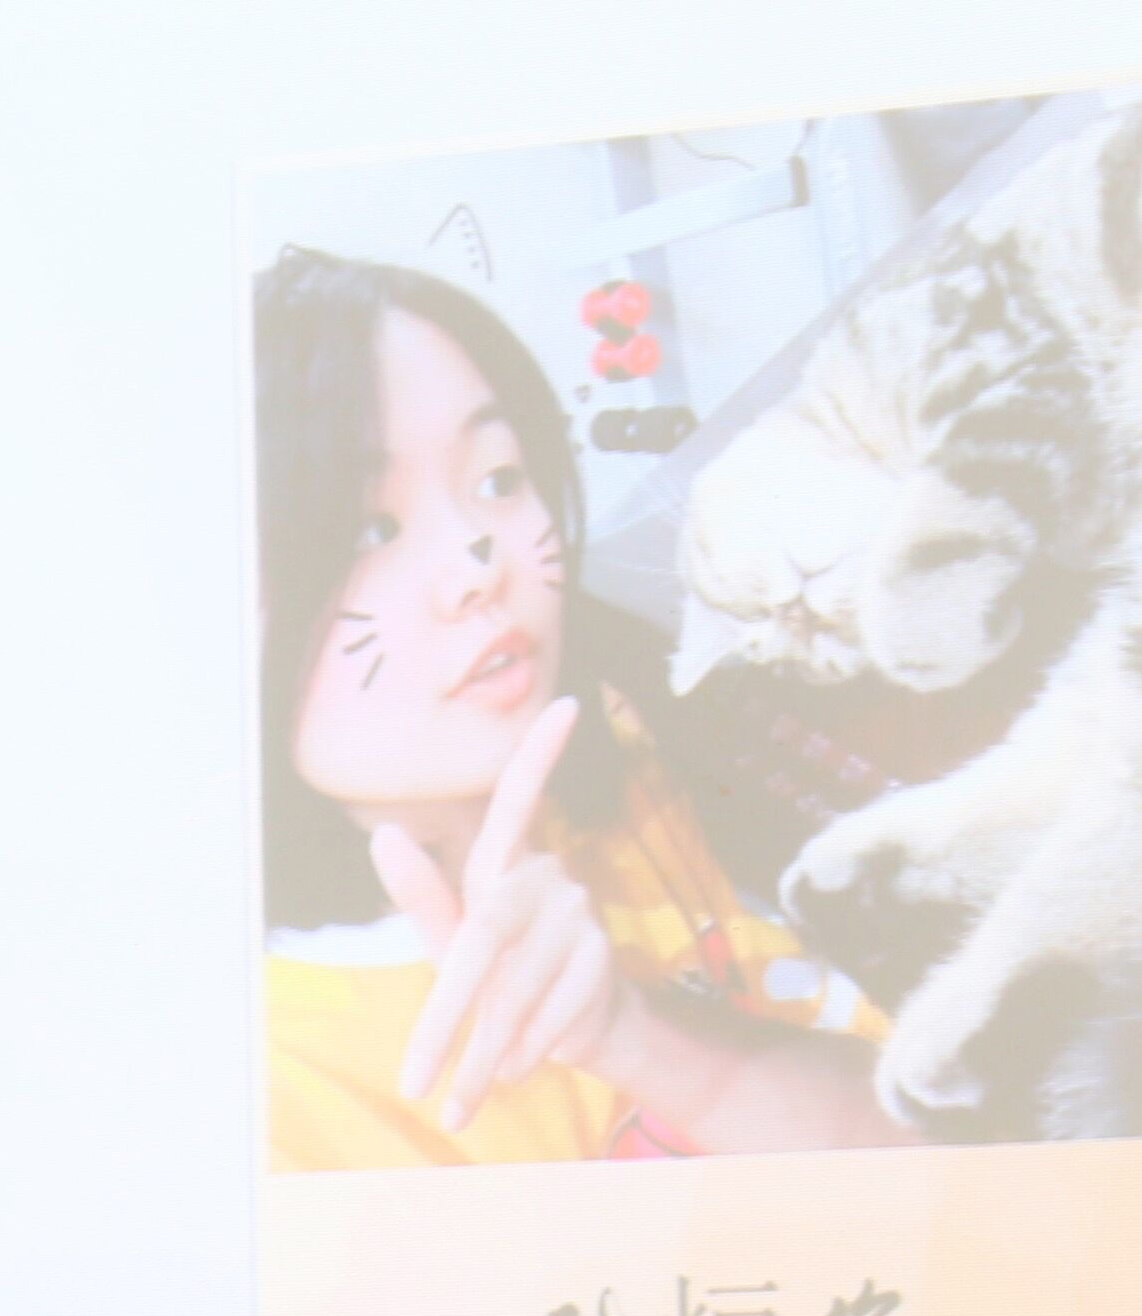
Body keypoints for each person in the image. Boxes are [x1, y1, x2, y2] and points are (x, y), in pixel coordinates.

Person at [253, 251, 901, 1164]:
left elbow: (937, 1148)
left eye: (497, 478)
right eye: (371, 529)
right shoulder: (276, 1102)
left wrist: (627, 1032)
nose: (477, 563)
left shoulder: (608, 760)